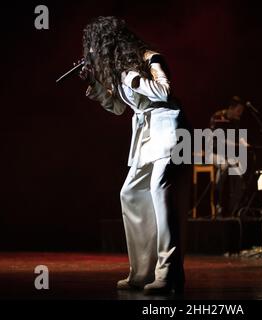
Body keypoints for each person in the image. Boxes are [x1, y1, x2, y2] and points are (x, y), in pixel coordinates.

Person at [80, 16, 188, 294]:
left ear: (109, 44)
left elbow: (163, 91)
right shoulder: (121, 70)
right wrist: (98, 87)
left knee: (158, 189)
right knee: (130, 192)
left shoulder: (149, 59)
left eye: (94, 48)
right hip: (146, 133)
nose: (91, 53)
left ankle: (169, 271)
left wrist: (129, 76)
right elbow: (118, 108)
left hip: (167, 124)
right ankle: (142, 272)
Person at [209, 96, 248, 216]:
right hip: (214, 153)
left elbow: (240, 137)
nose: (240, 114)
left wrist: (244, 143)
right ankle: (217, 205)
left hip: (229, 155)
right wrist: (237, 143)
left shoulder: (236, 121)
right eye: (238, 110)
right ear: (231, 108)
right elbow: (217, 141)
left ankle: (233, 209)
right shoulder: (218, 117)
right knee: (224, 166)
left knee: (239, 174)